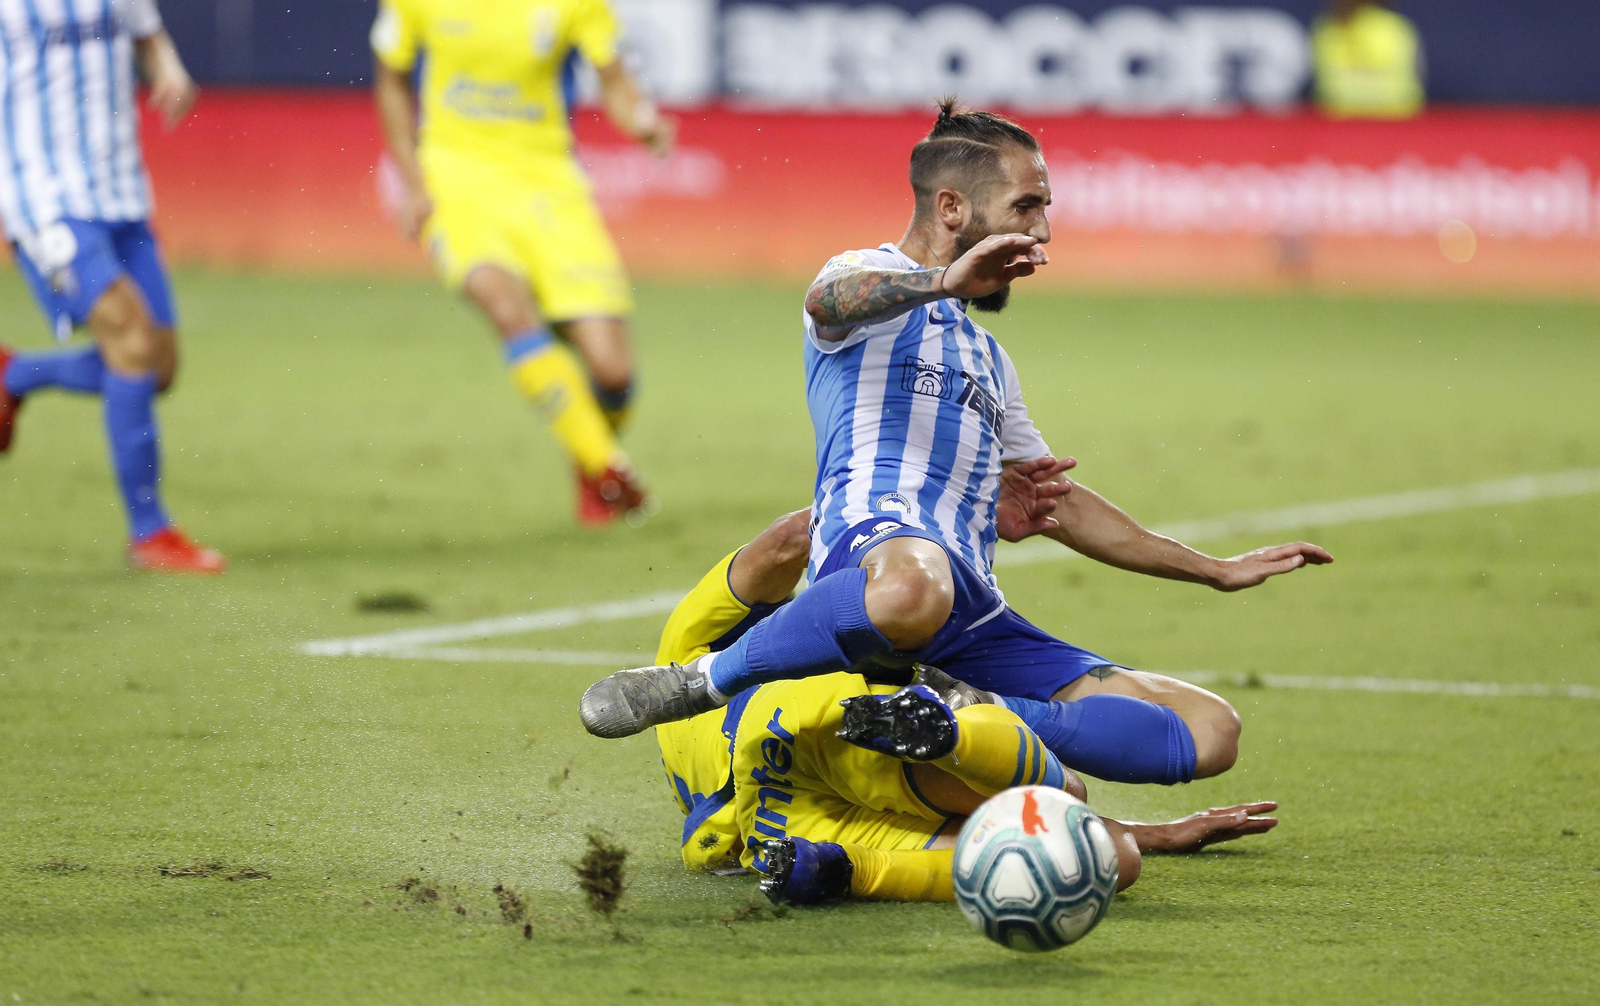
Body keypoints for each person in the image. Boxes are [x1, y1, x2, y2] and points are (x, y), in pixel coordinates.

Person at [581, 101, 1332, 790]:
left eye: (1044, 208)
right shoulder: (865, 282)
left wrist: (1211, 570)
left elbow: (1057, 503)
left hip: (968, 606)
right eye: (1026, 206)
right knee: (914, 588)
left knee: (1208, 731)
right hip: (875, 557)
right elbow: (827, 303)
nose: (1042, 232)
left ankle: (962, 705)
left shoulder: (989, 359)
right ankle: (701, 681)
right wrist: (940, 280)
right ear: (952, 207)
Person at [652, 513, 1279, 904]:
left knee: (1106, 855)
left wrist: (1152, 837)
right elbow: (794, 536)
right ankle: (954, 723)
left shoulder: (684, 701)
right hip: (823, 736)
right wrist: (932, 515)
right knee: (1094, 796)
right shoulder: (683, 655)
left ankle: (864, 851)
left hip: (782, 823)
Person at [371, 0, 669, 526]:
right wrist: (413, 181)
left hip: (550, 186)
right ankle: (608, 468)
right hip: (457, 181)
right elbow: (391, 79)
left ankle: (590, 459)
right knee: (506, 305)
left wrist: (641, 122)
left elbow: (615, 78)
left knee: (613, 372)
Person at [0, 0, 222, 573]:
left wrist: (167, 67)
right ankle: (149, 533)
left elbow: (147, 34)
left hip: (121, 193)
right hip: (44, 198)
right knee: (131, 341)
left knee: (159, 368)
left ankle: (16, 374)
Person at [1312, 1, 1425, 119]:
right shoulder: (1326, 28)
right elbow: (1330, 92)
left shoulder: (1395, 27)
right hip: (1340, 125)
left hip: (1396, 123)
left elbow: (1404, 92)